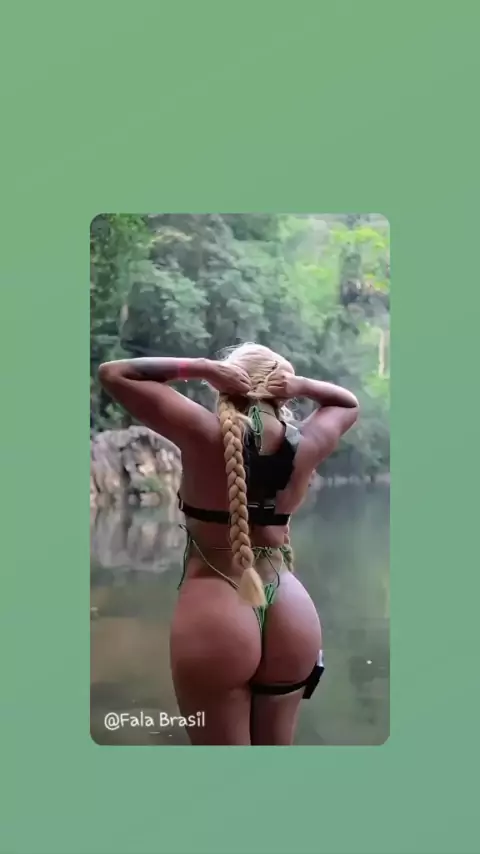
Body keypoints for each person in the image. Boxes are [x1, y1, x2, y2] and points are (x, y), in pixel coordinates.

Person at [98, 343, 359, 745]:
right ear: (283, 393)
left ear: (225, 385)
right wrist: (302, 385)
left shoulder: (202, 431)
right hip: (290, 608)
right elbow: (347, 404)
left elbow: (115, 373)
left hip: (218, 606)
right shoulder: (308, 442)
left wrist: (201, 367)